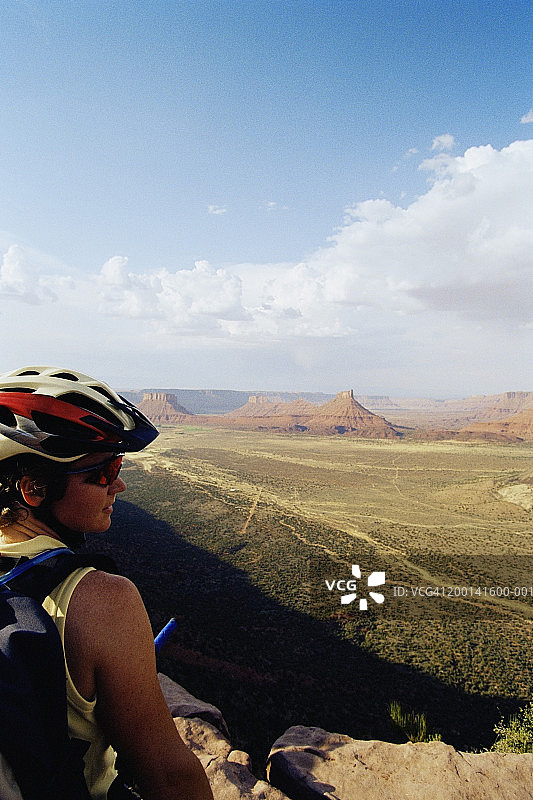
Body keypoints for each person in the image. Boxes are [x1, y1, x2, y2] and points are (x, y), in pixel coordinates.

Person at [0, 366, 214, 800]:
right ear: (33, 488)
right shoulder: (102, 599)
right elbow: (169, 777)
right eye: (103, 470)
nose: (120, 483)